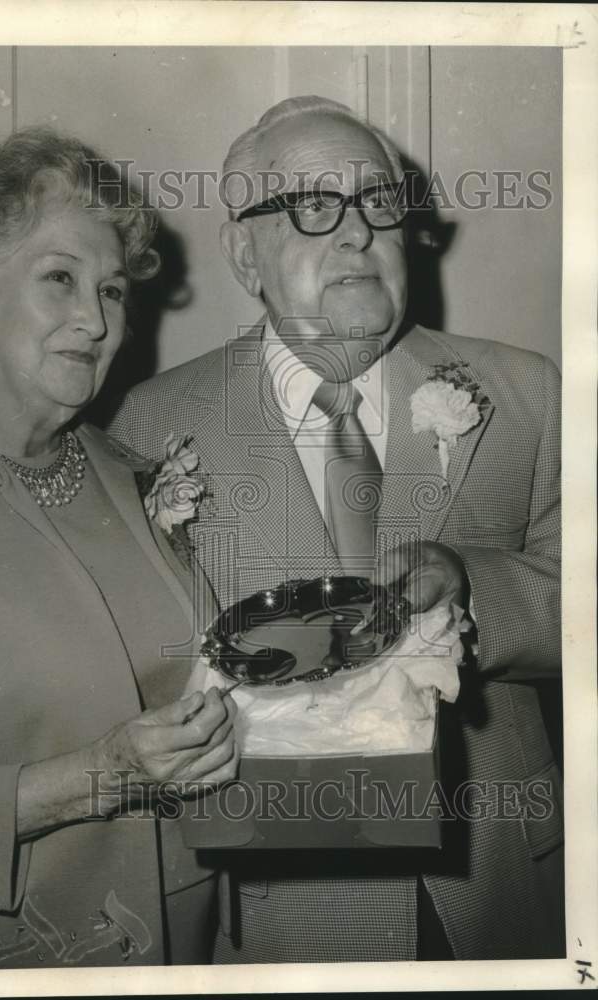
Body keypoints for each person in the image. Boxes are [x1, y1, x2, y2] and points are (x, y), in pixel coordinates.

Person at [109, 96, 564, 961]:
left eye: (379, 201)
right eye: (314, 204)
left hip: (501, 892)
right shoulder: (150, 424)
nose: (357, 232)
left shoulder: (525, 394)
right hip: (288, 913)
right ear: (244, 251)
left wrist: (474, 585)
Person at [0, 127, 238, 971]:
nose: (96, 322)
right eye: (60, 279)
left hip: (194, 951)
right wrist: (91, 776)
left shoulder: (130, 471)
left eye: (113, 291)